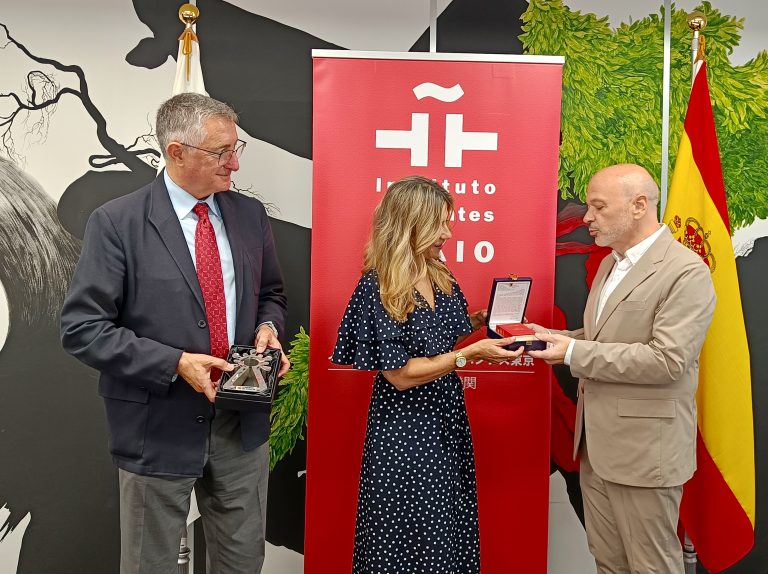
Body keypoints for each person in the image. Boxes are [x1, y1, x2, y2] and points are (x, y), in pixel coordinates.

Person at [60, 93, 289, 574]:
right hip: (156, 426)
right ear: (176, 152)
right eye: (221, 152)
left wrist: (269, 328)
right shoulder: (117, 222)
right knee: (151, 565)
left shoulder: (249, 217)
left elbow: (272, 294)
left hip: (239, 427)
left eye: (236, 148)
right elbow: (82, 328)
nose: (235, 164)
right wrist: (174, 364)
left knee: (243, 562)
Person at [527, 164, 716, 574]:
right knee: (609, 564)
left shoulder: (685, 272)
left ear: (639, 206)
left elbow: (667, 360)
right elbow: (606, 334)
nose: (586, 218)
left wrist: (573, 352)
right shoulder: (612, 264)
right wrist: (553, 336)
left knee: (652, 567)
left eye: (597, 207)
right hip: (595, 449)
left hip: (645, 454)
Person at [331, 175, 523, 573]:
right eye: (440, 223)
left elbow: (447, 339)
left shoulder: (442, 276)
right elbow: (399, 375)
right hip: (404, 436)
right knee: (406, 538)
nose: (448, 234)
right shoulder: (378, 286)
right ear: (410, 223)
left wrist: (481, 324)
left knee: (445, 534)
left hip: (446, 423)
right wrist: (468, 355)